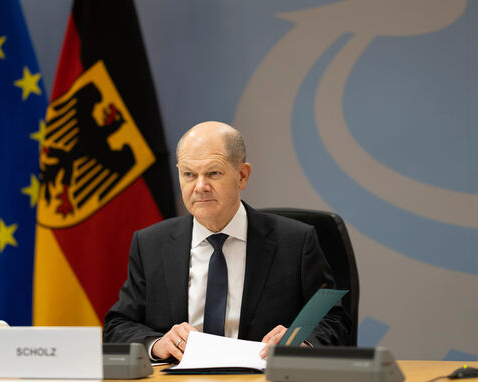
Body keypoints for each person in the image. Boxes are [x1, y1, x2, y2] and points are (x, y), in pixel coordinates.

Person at [103, 121, 351, 361]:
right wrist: (157, 344)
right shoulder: (150, 244)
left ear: (242, 175)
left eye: (213, 173)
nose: (200, 186)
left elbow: (333, 319)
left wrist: (300, 343)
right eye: (189, 174)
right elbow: (119, 325)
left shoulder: (295, 242)